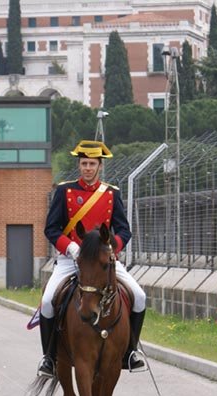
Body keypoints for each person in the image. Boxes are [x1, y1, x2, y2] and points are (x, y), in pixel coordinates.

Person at [37, 139, 147, 378]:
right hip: (71, 259)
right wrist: (71, 248)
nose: (87, 168)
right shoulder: (64, 191)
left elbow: (124, 229)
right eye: (84, 163)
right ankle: (49, 358)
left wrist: (111, 249)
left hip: (103, 261)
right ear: (79, 165)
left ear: (99, 166)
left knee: (139, 296)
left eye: (92, 164)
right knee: (47, 303)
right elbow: (51, 229)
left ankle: (130, 351)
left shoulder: (111, 193)